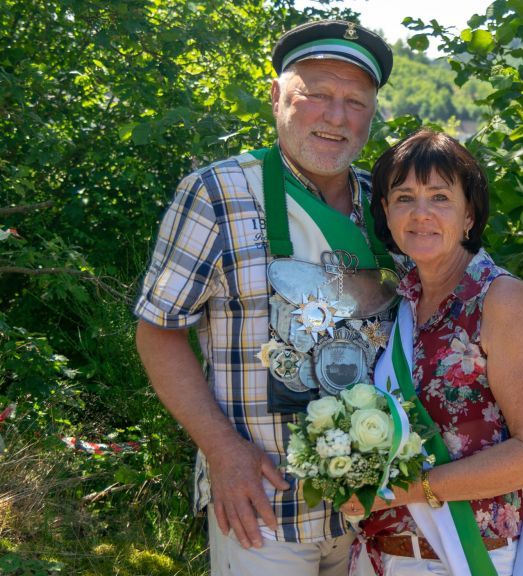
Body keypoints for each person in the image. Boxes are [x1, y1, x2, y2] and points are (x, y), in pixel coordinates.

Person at [134, 20, 395, 575]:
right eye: (317, 94)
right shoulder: (216, 193)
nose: (336, 116)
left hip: (378, 508)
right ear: (276, 95)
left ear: (373, 113)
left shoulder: (389, 205)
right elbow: (158, 330)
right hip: (260, 502)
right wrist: (222, 451)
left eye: (356, 101)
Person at [344, 129, 523, 575]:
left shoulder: (499, 299)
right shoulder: (399, 302)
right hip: (379, 557)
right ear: (386, 213)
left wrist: (416, 489)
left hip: (465, 555)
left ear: (469, 214)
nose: (421, 213)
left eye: (440, 198)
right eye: (404, 198)